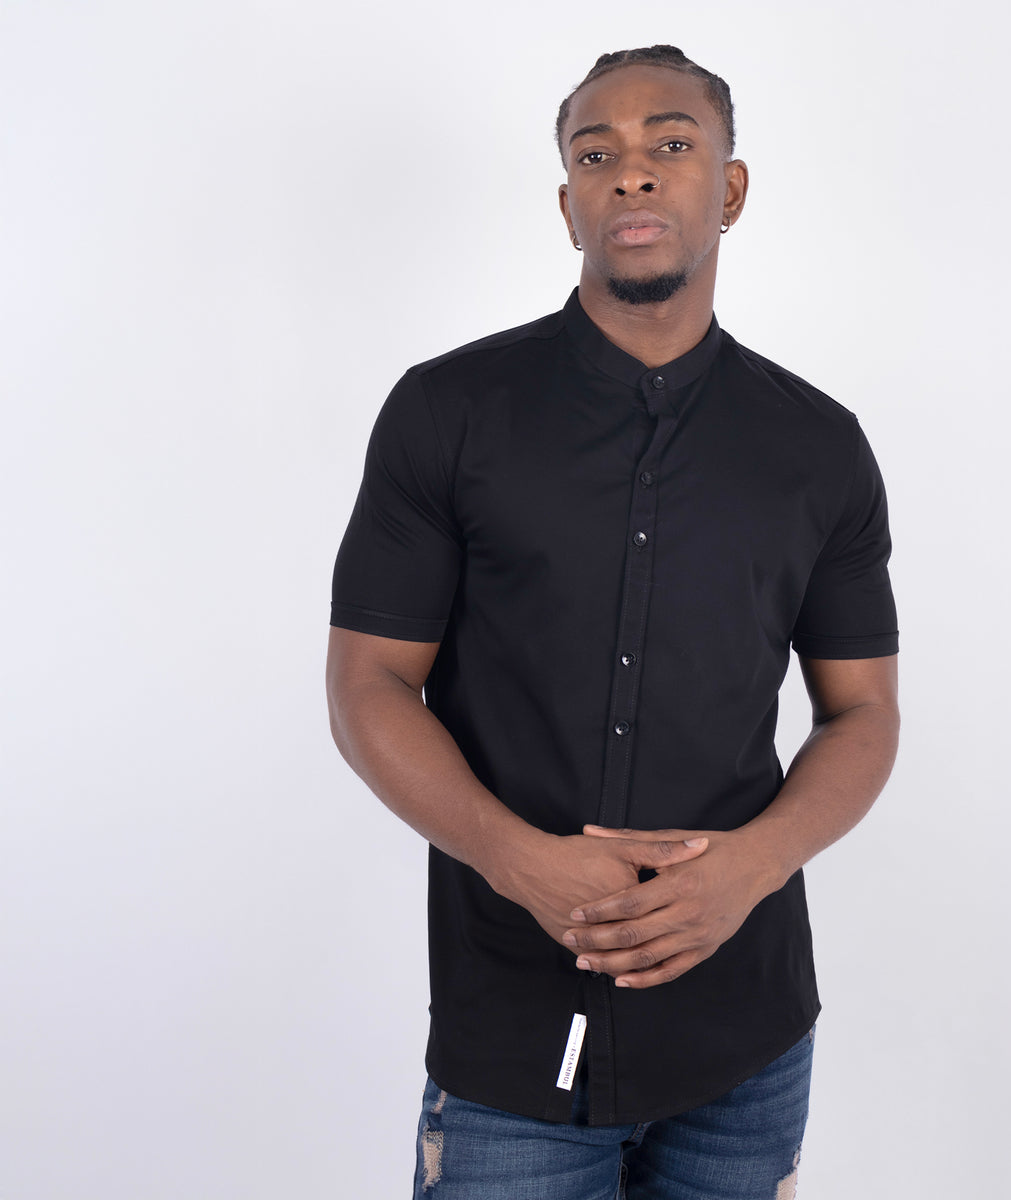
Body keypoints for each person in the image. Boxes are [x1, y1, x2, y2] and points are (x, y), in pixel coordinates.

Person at [327, 44, 899, 1200]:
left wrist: (754, 867)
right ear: (568, 206)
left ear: (730, 189)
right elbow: (368, 686)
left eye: (669, 145)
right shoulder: (447, 413)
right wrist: (517, 860)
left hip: (746, 1047)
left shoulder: (820, 447)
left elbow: (864, 714)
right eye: (597, 156)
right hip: (515, 1046)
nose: (630, 173)